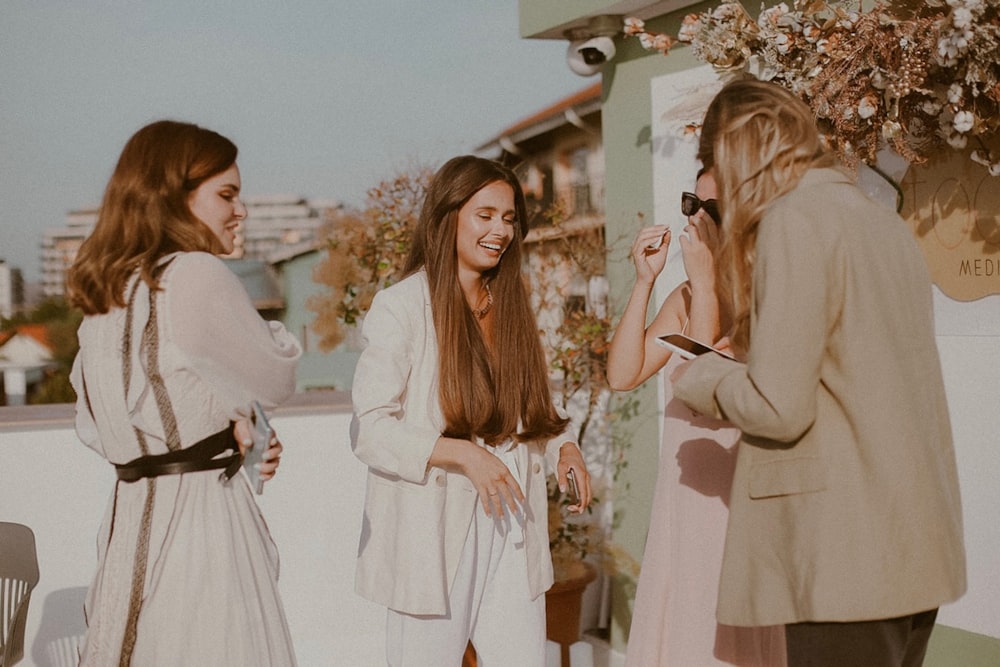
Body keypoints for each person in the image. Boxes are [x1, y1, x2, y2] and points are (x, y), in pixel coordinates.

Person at [671, 78, 966, 667]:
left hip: (842, 557)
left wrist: (702, 376)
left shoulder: (795, 220)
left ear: (732, 154)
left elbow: (778, 406)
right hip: (911, 545)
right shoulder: (881, 222)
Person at [67, 120, 302, 666]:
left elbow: (99, 423)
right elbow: (276, 379)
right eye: (226, 195)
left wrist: (226, 427)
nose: (239, 211)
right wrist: (238, 414)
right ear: (174, 197)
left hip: (131, 519)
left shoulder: (108, 289)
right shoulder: (195, 272)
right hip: (200, 526)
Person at [350, 155, 592, 667]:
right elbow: (370, 428)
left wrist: (563, 446)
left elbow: (536, 403)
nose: (499, 230)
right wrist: (463, 455)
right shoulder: (402, 306)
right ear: (448, 216)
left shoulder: (510, 303)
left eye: (508, 218)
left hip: (512, 517)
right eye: (484, 215)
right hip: (433, 525)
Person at [607, 169, 786, 666]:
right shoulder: (684, 296)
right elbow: (622, 374)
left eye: (713, 208)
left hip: (732, 498)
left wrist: (706, 286)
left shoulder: (767, 297)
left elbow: (701, 394)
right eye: (693, 203)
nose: (697, 219)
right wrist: (645, 282)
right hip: (681, 494)